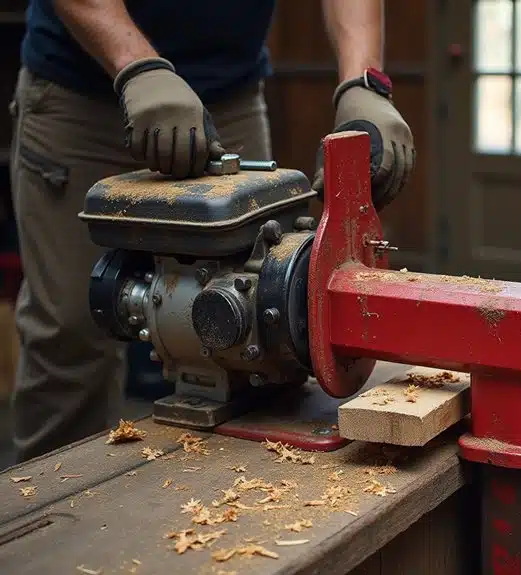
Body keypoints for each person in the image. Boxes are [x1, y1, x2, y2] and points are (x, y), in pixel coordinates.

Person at [9, 0, 415, 463]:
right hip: (83, 95)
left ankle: (242, 508)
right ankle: (55, 516)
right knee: (70, 336)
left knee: (265, 326)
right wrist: (137, 67)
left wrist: (363, 85)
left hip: (227, 96)